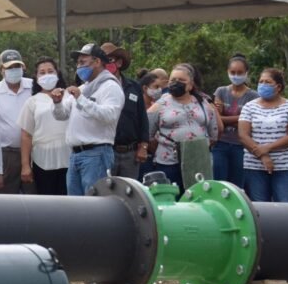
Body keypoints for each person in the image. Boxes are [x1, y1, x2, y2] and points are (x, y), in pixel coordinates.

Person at [51, 43, 125, 196]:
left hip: (96, 153)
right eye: (78, 63)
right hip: (75, 155)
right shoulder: (83, 88)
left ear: (97, 62)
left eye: (82, 62)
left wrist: (81, 99)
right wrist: (57, 103)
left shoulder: (110, 87)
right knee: (75, 205)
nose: (79, 67)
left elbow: (109, 116)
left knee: (94, 203)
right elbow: (62, 115)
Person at [148, 63, 219, 192]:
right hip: (169, 162)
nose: (176, 83)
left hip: (198, 162)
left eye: (181, 80)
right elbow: (148, 134)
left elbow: (214, 133)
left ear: (190, 85)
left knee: (198, 197)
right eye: (173, 80)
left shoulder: (203, 103)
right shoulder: (159, 105)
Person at [238, 68, 288, 202]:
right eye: (261, 82)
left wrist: (267, 148)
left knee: (285, 206)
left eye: (267, 82)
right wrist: (263, 155)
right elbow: (243, 135)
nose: (263, 85)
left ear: (278, 87)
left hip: (284, 167)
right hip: (254, 166)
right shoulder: (249, 107)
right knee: (259, 208)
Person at [17, 58, 70, 195]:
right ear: (36, 77)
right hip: (43, 161)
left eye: (50, 71)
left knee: (69, 200)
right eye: (42, 72)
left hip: (69, 158)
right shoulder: (32, 102)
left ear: (57, 73)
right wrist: (25, 165)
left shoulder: (69, 96)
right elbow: (26, 135)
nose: (47, 75)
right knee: (47, 201)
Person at [0, 49, 36, 194]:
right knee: (7, 198)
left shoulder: (34, 87)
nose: (14, 70)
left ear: (23, 67)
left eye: (17, 66)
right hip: (7, 155)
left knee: (34, 197)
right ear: (1, 70)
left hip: (34, 152)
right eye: (9, 67)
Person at [101, 42, 149, 179]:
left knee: (129, 189)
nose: (106, 64)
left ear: (119, 62)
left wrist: (143, 146)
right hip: (107, 151)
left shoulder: (133, 87)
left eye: (109, 60)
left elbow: (142, 117)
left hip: (130, 152)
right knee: (106, 188)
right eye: (102, 61)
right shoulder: (96, 87)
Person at [212, 54, 259, 187]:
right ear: (228, 72)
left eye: (240, 72)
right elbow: (216, 119)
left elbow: (250, 123)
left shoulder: (254, 96)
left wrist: (224, 119)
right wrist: (241, 119)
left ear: (246, 73)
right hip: (220, 144)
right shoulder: (220, 91)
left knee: (237, 185)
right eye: (233, 72)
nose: (236, 75)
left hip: (241, 146)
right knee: (219, 183)